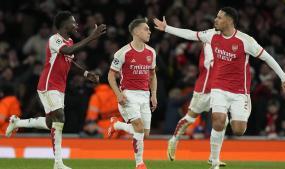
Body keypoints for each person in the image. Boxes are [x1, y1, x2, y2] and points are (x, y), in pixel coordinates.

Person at [153, 6, 285, 169]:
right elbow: (191, 34)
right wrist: (167, 28)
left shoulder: (245, 41)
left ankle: (236, 114)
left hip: (239, 92)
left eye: (219, 17)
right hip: (219, 87)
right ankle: (214, 162)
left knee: (238, 130)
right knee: (218, 120)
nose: (216, 19)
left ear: (229, 21)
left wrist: (284, 78)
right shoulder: (212, 35)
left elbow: (268, 58)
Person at [5, 11, 106, 169]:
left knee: (51, 122)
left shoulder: (70, 41)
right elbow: (67, 52)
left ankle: (17, 122)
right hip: (48, 84)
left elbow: (69, 62)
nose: (76, 24)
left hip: (59, 87)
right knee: (60, 118)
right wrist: (91, 37)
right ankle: (58, 163)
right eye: (73, 22)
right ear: (64, 24)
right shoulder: (54, 39)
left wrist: (86, 73)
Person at [107, 18, 157, 169]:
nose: (149, 31)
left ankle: (117, 125)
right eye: (146, 29)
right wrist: (118, 94)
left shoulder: (151, 52)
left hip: (144, 95)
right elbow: (110, 75)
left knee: (145, 133)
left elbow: (153, 75)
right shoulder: (123, 52)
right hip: (128, 95)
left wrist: (153, 94)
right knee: (139, 127)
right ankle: (139, 163)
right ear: (136, 31)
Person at [167, 43, 227, 167]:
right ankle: (174, 140)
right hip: (204, 89)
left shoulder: (225, 43)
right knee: (189, 118)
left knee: (223, 120)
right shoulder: (209, 43)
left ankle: (214, 157)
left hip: (218, 89)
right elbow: (210, 64)